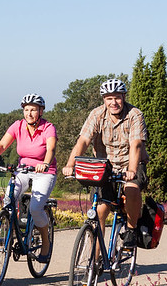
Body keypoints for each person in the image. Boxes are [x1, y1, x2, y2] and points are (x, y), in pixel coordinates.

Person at [61, 78, 149, 248]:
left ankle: (131, 229)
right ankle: (95, 261)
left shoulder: (134, 115)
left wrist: (131, 170)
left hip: (131, 162)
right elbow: (83, 141)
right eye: (109, 98)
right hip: (105, 166)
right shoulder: (97, 114)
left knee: (131, 188)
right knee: (100, 211)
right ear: (104, 100)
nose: (113, 102)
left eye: (117, 97)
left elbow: (136, 144)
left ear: (123, 97)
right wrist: (70, 164)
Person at [0, 93, 57, 261]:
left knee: (36, 209)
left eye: (33, 110)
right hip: (23, 170)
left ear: (41, 111)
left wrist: (44, 163)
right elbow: (2, 145)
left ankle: (45, 243)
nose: (29, 113)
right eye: (26, 109)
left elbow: (51, 149)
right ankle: (7, 234)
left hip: (44, 172)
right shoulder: (18, 126)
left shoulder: (48, 127)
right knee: (8, 200)